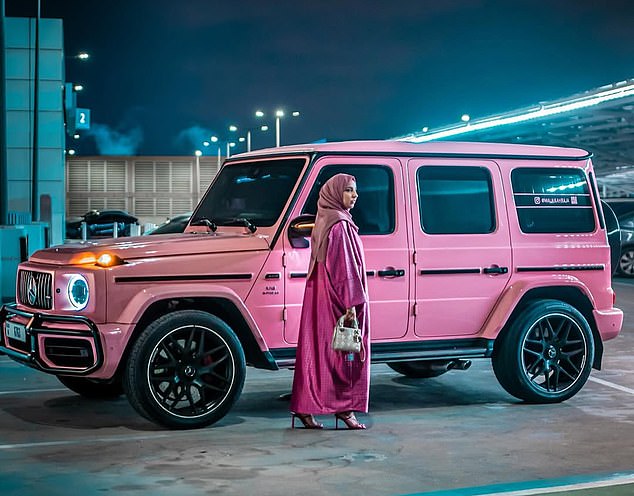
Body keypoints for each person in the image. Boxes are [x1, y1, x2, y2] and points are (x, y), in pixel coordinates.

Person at [290, 173, 370, 430]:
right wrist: (351, 306)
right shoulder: (341, 225)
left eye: (354, 191)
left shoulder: (324, 220)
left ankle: (305, 408)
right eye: (348, 190)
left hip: (320, 298)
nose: (354, 195)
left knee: (316, 353)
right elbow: (344, 270)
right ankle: (345, 409)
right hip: (338, 302)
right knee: (346, 356)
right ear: (335, 194)